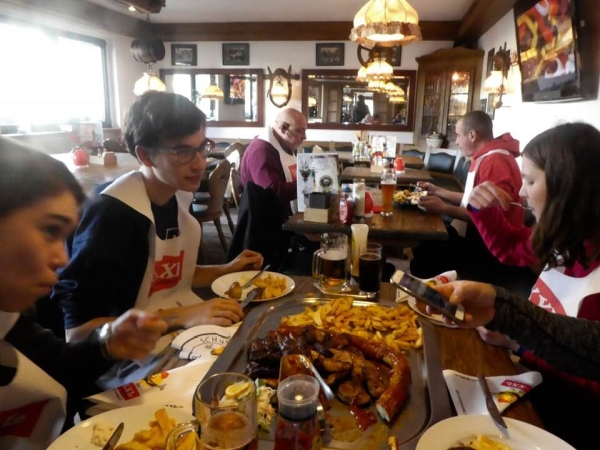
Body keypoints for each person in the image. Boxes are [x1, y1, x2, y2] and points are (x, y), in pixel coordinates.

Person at [53, 92, 263, 388]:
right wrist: (183, 315)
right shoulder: (111, 218)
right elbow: (78, 333)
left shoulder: (174, 196)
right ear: (145, 155)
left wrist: (226, 268)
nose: (199, 163)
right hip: (120, 368)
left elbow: (165, 273)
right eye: (182, 152)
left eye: (202, 146)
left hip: (171, 342)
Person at [0, 140, 167, 448]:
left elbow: (58, 365)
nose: (63, 259)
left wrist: (109, 341)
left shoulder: (11, 318)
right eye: (50, 231)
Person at [465, 123, 600, 448]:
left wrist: (520, 344)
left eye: (530, 180)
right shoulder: (566, 239)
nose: (521, 192)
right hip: (531, 383)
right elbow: (509, 248)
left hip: (567, 421)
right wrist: (479, 210)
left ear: (567, 187)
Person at [410, 111, 537, 295]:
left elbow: (490, 218)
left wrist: (443, 207)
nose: (456, 141)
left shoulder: (495, 161)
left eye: (458, 135)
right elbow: (474, 202)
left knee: (426, 252)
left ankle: (433, 300)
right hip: (481, 241)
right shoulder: (487, 156)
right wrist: (439, 191)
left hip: (488, 252)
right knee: (430, 241)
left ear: (472, 135)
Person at [241, 108, 307, 216]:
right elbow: (272, 191)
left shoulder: (283, 145)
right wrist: (308, 185)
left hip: (282, 213)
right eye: (301, 131)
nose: (304, 137)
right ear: (284, 128)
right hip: (266, 221)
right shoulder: (261, 151)